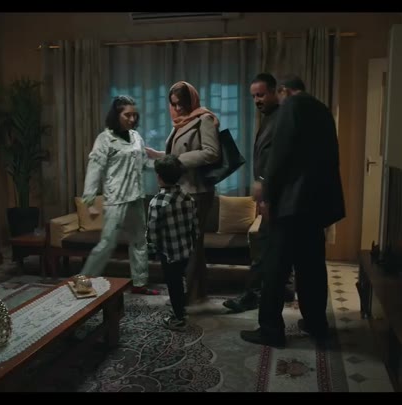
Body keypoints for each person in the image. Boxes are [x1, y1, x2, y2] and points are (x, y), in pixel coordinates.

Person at [240, 75, 346, 347]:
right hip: (316, 204)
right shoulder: (322, 110)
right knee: (312, 268)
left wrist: (267, 192)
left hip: (290, 205)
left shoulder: (291, 107)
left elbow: (280, 154)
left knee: (275, 269)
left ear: (284, 91)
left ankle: (270, 330)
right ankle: (315, 324)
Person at [223, 73, 294, 313]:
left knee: (263, 249)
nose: (257, 100)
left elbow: (279, 160)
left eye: (261, 95)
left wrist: (265, 188)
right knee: (272, 247)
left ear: (275, 92)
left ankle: (252, 295)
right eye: (254, 96)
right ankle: (283, 288)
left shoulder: (282, 118)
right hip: (272, 197)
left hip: (276, 198)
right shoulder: (269, 119)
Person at [145, 81, 220, 305]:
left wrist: (176, 161)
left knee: (192, 245)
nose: (178, 108)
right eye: (174, 104)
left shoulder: (204, 119)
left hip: (197, 190)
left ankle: (191, 295)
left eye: (181, 104)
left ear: (192, 100)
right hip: (182, 189)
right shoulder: (181, 122)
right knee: (190, 244)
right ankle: (197, 291)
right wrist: (156, 154)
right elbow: (175, 153)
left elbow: (211, 152)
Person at [79, 95, 159, 295]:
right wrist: (89, 200)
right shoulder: (105, 139)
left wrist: (168, 162)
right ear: (117, 115)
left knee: (140, 242)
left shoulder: (136, 137)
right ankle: (83, 282)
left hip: (136, 197)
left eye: (135, 115)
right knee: (107, 243)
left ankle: (139, 283)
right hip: (116, 199)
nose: (132, 119)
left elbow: (144, 163)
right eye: (127, 115)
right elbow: (95, 168)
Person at [147, 155, 199, 331]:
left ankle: (178, 318)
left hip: (168, 253)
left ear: (159, 177)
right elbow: (195, 225)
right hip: (186, 250)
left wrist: (151, 249)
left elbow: (153, 232)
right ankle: (181, 308)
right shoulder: (188, 197)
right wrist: (192, 244)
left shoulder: (157, 202)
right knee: (180, 280)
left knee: (173, 283)